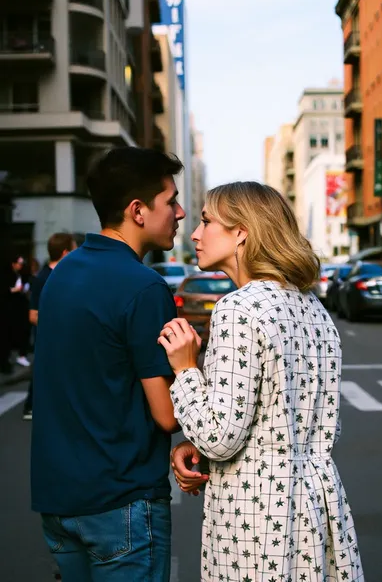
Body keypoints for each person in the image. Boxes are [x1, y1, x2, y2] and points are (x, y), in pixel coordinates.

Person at [160, 182, 365, 582]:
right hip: (317, 503)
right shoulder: (313, 308)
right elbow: (317, 423)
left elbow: (220, 437)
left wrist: (185, 369)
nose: (196, 234)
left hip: (257, 515)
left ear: (241, 232)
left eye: (206, 221)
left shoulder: (238, 308)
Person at [31, 147, 185, 581]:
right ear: (138, 210)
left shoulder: (62, 273)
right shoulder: (144, 287)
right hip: (121, 502)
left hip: (58, 499)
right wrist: (188, 365)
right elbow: (167, 415)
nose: (181, 211)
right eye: (170, 200)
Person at [22, 233, 76, 420]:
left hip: (63, 338)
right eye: (74, 249)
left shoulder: (65, 276)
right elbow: (32, 314)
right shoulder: (43, 278)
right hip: (48, 338)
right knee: (43, 372)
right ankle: (31, 406)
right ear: (65, 252)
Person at [8, 255, 31, 367]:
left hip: (21, 306)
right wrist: (14, 290)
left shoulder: (23, 274)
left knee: (24, 330)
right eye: (19, 263)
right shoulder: (8, 276)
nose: (21, 266)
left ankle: (22, 355)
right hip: (11, 308)